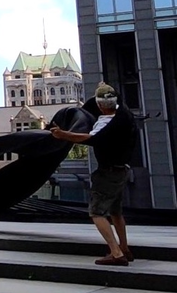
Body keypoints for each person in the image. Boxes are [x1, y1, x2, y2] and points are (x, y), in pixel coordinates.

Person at [50, 82, 137, 266]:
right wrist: (105, 87)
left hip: (108, 173)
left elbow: (90, 139)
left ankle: (116, 253)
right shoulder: (124, 114)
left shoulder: (106, 125)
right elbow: (116, 97)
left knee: (97, 212)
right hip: (122, 171)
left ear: (100, 106)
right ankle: (124, 248)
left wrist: (62, 134)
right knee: (115, 212)